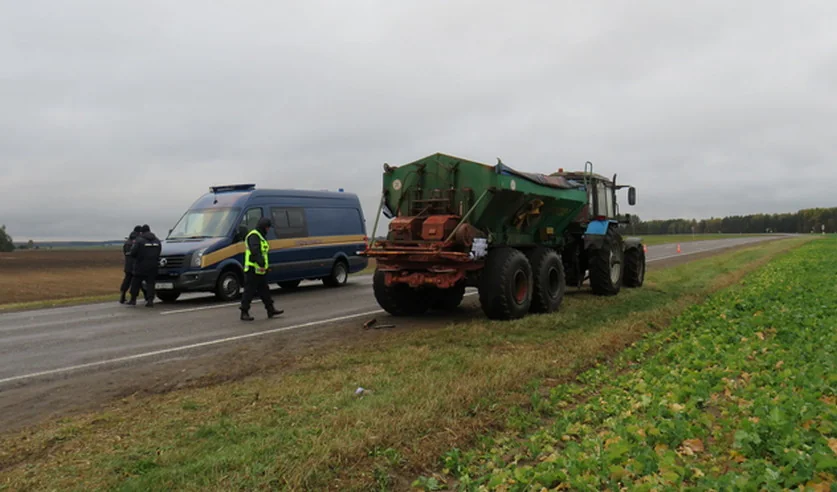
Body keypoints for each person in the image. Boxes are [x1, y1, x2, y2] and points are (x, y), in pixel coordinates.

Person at [240, 217, 283, 321]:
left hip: (260, 270)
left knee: (265, 291)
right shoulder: (254, 235)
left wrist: (264, 266)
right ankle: (244, 312)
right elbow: (255, 251)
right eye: (268, 228)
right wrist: (261, 262)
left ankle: (270, 309)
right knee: (249, 292)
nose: (268, 230)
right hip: (252, 269)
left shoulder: (260, 236)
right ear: (264, 227)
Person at [127, 224, 161, 307]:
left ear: (142, 232)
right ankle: (150, 300)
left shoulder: (139, 240)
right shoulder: (157, 241)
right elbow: (159, 252)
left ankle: (133, 299)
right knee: (150, 283)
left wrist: (133, 256)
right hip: (153, 266)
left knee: (136, 282)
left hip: (140, 265)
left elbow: (133, 252)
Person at [119, 225, 147, 303]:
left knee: (127, 280)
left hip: (128, 265)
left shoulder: (127, 242)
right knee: (139, 281)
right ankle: (145, 296)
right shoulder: (139, 241)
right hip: (136, 264)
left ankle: (122, 296)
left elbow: (125, 253)